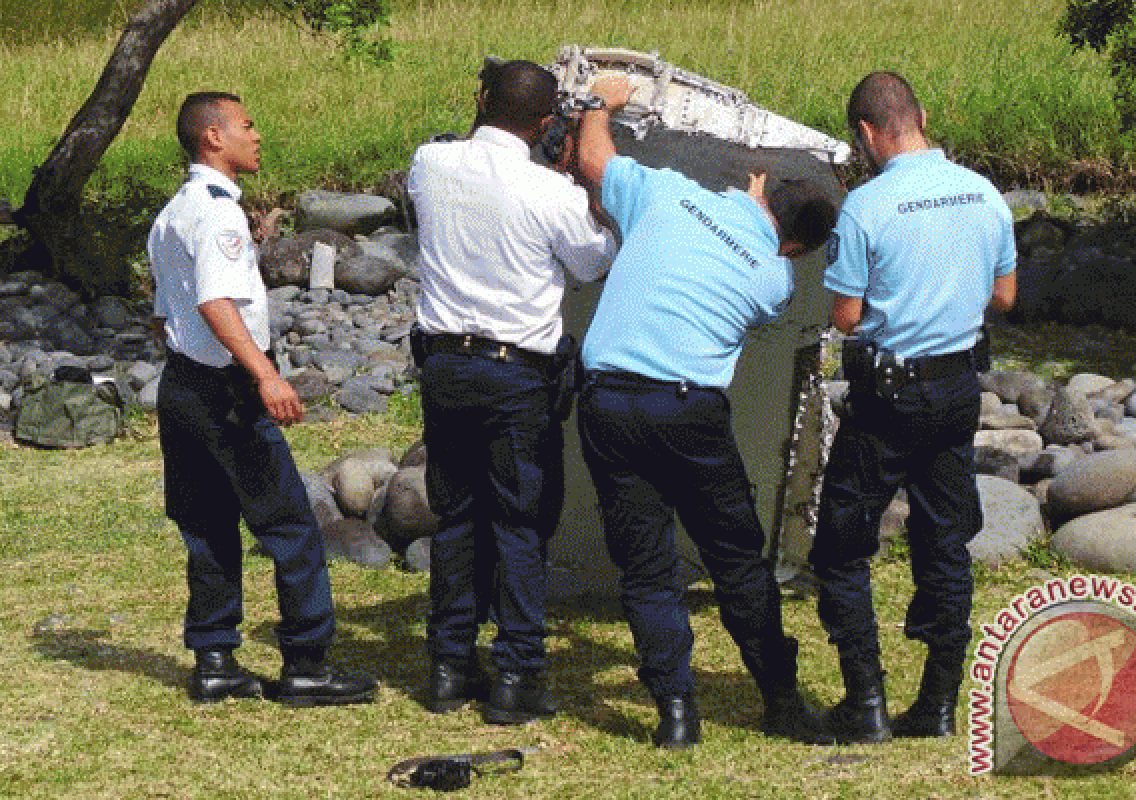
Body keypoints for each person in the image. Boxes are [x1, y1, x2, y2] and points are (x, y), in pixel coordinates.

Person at [573, 75, 839, 749]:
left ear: (759, 185)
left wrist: (600, 104)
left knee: (645, 562)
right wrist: (760, 222)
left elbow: (593, 163)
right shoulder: (773, 278)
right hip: (690, 412)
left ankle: (675, 714)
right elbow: (756, 252)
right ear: (798, 248)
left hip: (608, 401)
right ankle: (780, 699)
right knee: (736, 559)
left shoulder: (668, 193)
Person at [149, 91, 377, 707]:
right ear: (212, 137)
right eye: (246, 125)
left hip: (181, 383)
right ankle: (306, 663)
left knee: (209, 526)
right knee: (292, 527)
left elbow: (163, 310)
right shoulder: (219, 214)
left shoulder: (175, 210)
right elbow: (215, 304)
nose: (257, 135)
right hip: (225, 390)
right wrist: (265, 376)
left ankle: (215, 659)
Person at [406, 60, 617, 724]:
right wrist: (583, 189)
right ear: (546, 124)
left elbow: (476, 153)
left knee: (457, 515)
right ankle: (517, 673)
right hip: (514, 372)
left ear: (481, 104)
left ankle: (448, 665)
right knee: (521, 523)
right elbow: (593, 261)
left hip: (444, 364)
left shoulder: (430, 164)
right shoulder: (549, 195)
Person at [809, 71, 1017, 743]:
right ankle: (938, 702)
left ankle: (865, 702)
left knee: (842, 545)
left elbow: (845, 317)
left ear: (867, 133)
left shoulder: (867, 207)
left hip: (889, 397)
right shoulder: (984, 193)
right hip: (959, 391)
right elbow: (1005, 297)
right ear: (921, 115)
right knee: (945, 540)